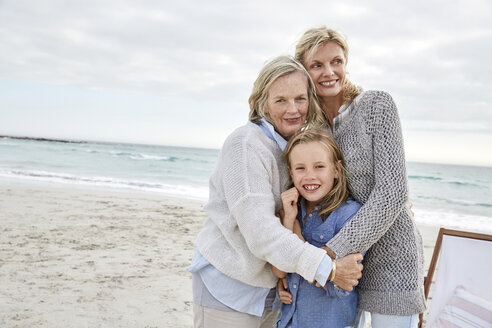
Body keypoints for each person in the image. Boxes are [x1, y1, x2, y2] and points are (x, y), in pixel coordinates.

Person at [187, 56, 364, 328]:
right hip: (229, 287)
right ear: (262, 102)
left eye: (300, 99)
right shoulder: (246, 145)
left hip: (270, 293)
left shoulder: (291, 147)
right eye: (281, 100)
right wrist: (328, 269)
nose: (293, 109)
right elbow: (261, 231)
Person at [290, 27, 426, 327]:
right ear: (303, 70)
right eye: (317, 65)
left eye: (336, 61)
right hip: (341, 268)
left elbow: (392, 194)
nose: (329, 72)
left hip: (390, 259)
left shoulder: (376, 106)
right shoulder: (312, 130)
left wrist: (329, 253)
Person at [272, 127, 362, 328]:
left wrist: (295, 232)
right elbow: (279, 270)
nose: (309, 176)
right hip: (289, 321)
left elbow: (335, 278)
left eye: (319, 166)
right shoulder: (293, 210)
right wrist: (289, 220)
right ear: (290, 172)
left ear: (337, 170)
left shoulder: (350, 215)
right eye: (300, 168)